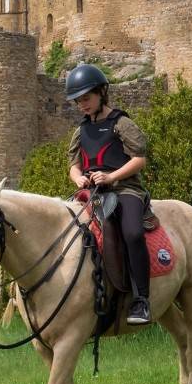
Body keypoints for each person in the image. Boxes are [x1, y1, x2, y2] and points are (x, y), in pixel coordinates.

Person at [65, 63, 154, 325]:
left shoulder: (121, 123)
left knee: (132, 233)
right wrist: (78, 177)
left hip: (125, 189)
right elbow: (73, 165)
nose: (82, 105)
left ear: (101, 93)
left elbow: (139, 159)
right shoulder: (80, 131)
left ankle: (142, 300)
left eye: (86, 98)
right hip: (90, 193)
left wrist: (112, 176)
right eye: (78, 101)